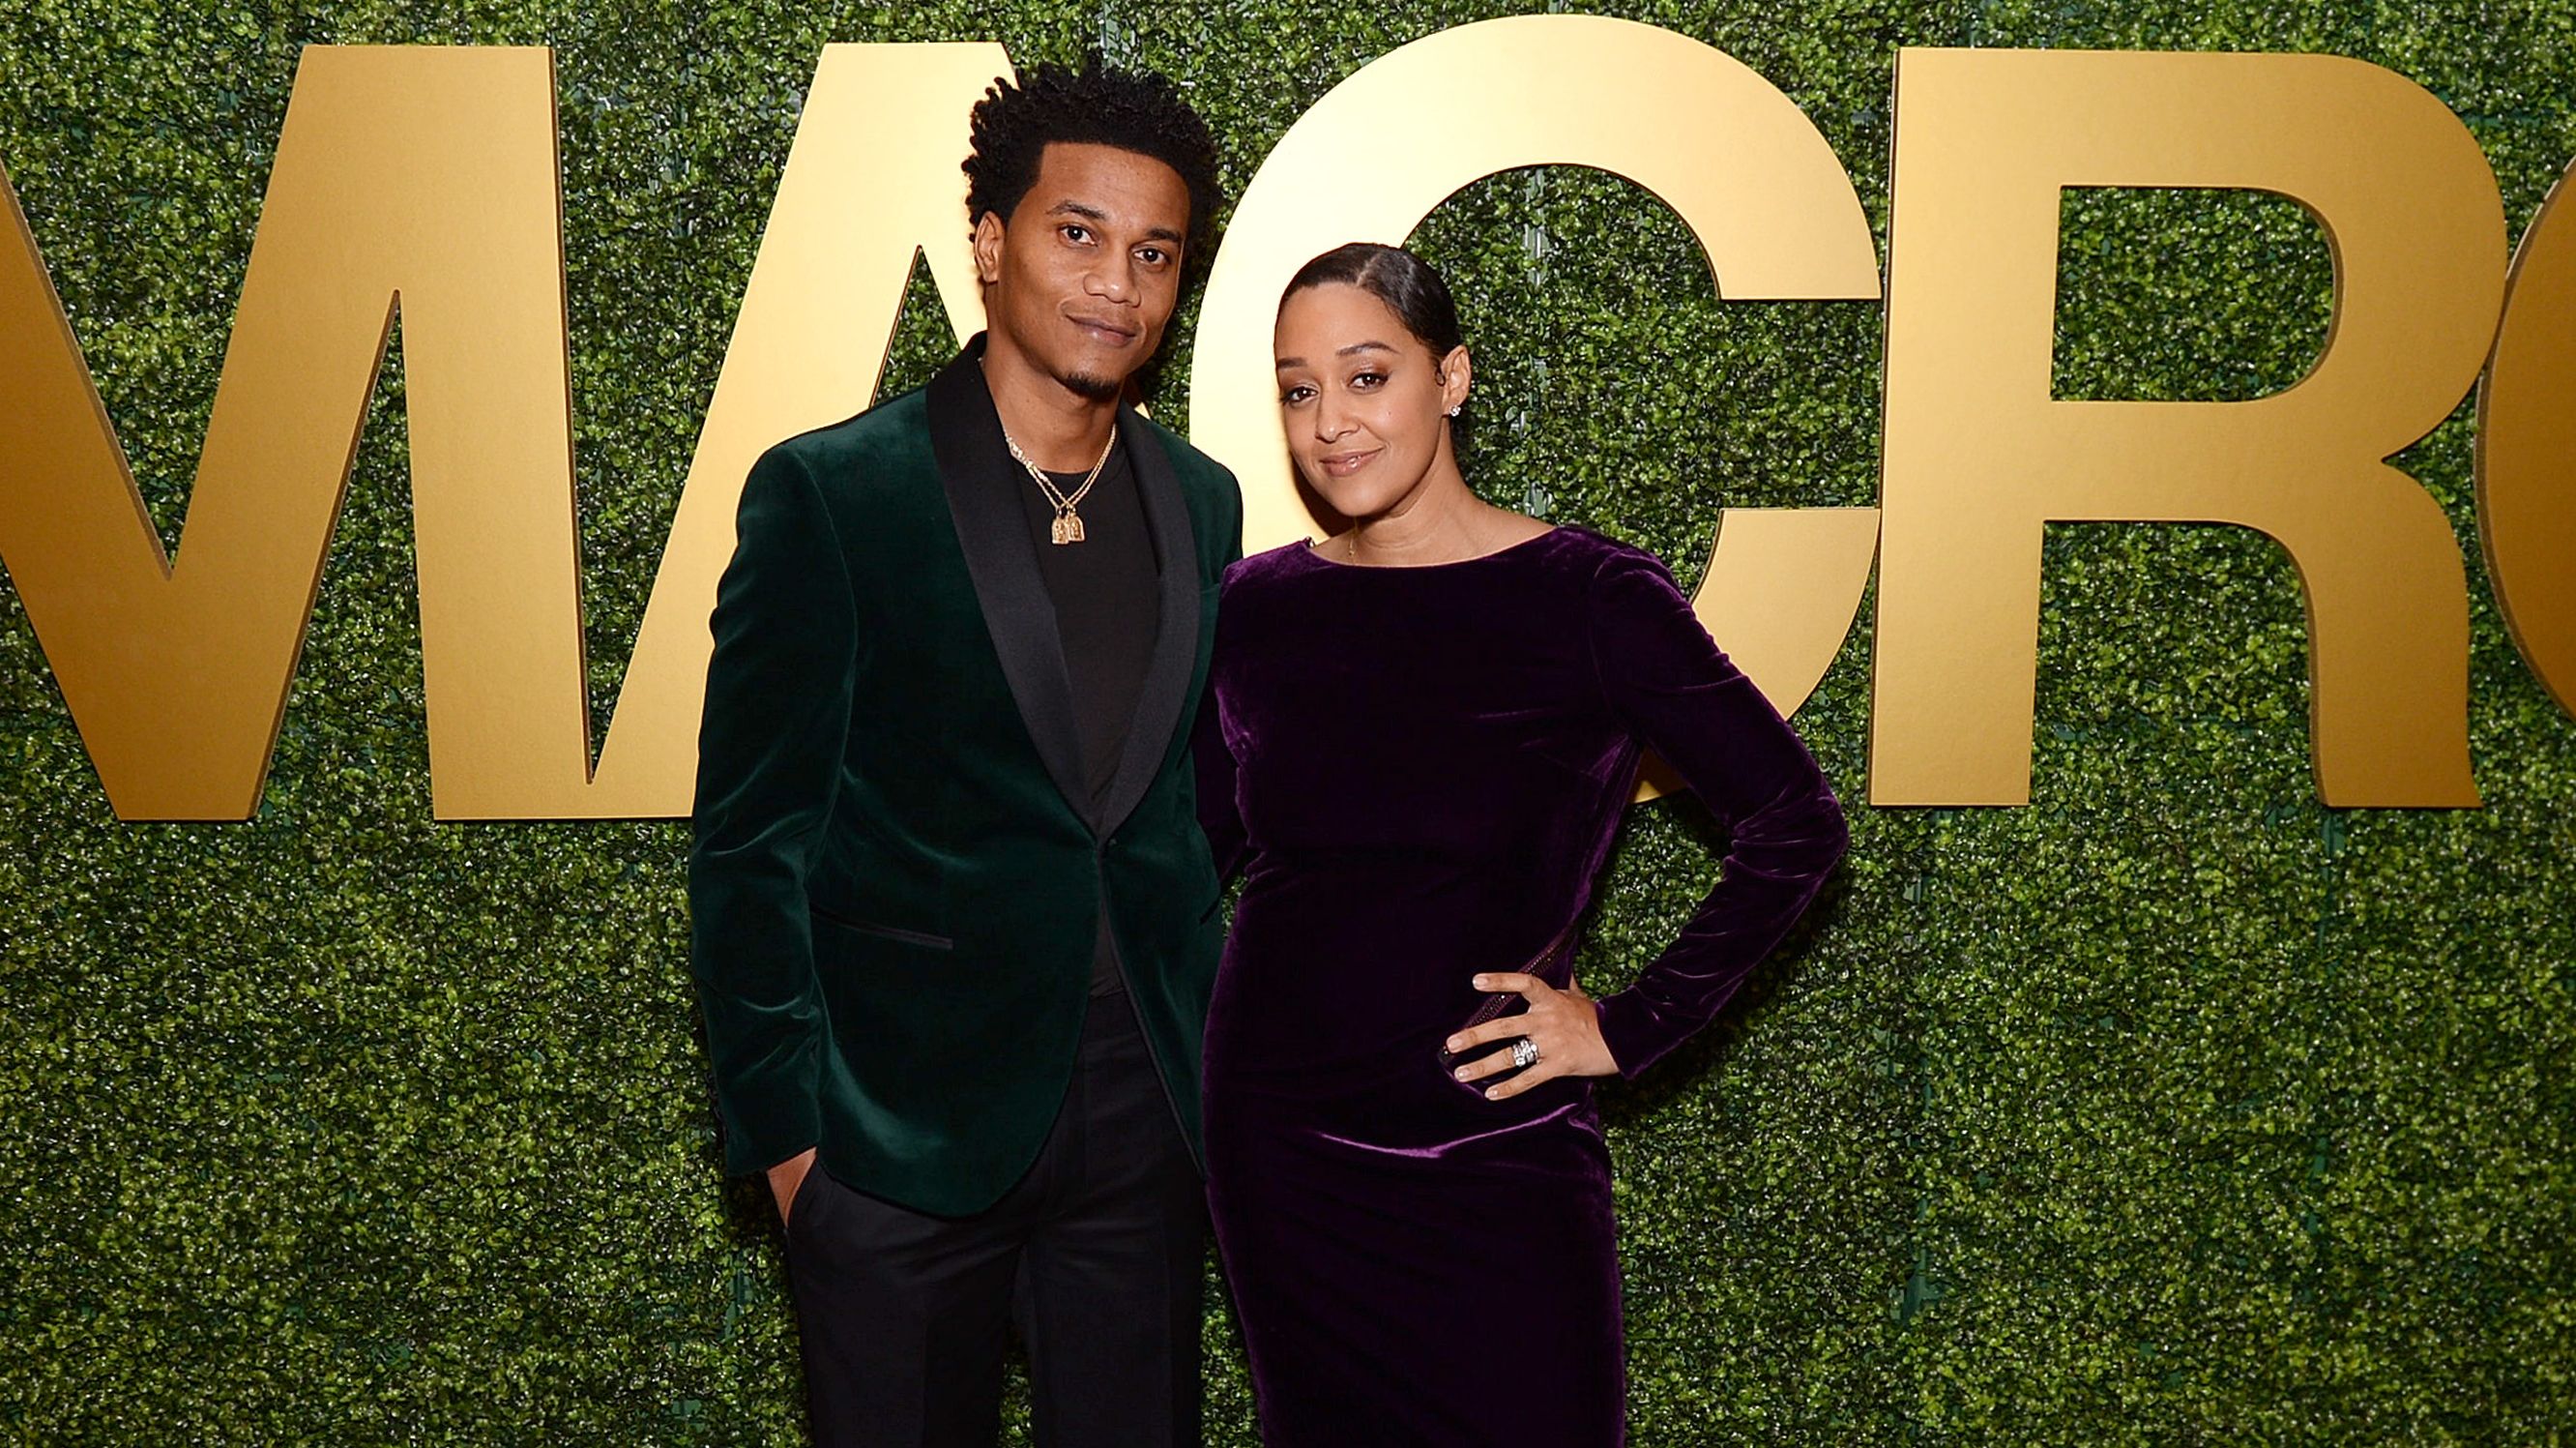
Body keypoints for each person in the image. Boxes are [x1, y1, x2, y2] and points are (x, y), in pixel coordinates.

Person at [1191, 242, 1848, 1445]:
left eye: (1367, 377)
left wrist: (1630, 1026)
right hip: (1282, 1143)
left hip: (1495, 1145)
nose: (1330, 423)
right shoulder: (1254, 608)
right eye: (1298, 390)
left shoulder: (1589, 597)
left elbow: (1794, 823)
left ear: (1451, 379)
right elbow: (1180, 863)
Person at [688, 63, 1240, 1448]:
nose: (1116, 283)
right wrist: (795, 1153)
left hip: (1143, 1128)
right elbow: (752, 843)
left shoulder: (1203, 500)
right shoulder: (835, 492)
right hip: (898, 1135)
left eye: (1154, 252)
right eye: (1078, 233)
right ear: (990, 243)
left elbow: (1187, 807)